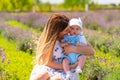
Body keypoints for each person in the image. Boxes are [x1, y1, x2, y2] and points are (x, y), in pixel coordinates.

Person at [29, 13, 95, 80]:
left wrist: (73, 48)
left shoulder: (72, 36)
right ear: (57, 32)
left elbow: (91, 51)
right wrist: (71, 66)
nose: (69, 31)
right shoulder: (49, 41)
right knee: (39, 77)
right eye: (66, 30)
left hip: (65, 71)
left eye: (69, 28)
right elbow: (48, 63)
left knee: (56, 79)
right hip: (51, 67)